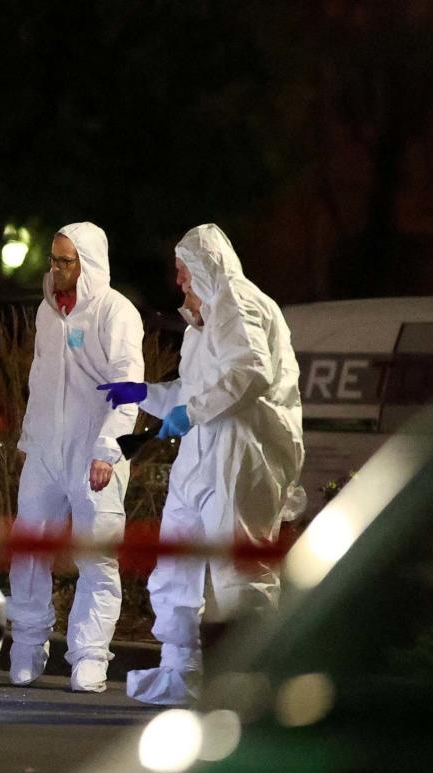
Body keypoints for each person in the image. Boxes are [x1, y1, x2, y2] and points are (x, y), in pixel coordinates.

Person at [99, 223, 305, 705]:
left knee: (239, 570)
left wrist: (187, 413)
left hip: (242, 452)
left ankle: (252, 682)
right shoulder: (208, 320)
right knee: (177, 563)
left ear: (205, 268)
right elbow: (196, 392)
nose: (180, 283)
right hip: (204, 453)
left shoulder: (238, 299)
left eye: (184, 272)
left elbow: (250, 373)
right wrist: (146, 393)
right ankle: (181, 671)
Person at [10, 222, 145, 692]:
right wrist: (30, 443)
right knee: (30, 548)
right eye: (54, 259)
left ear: (88, 264)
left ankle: (89, 654)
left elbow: (128, 387)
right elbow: (39, 380)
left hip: (94, 451)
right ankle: (27, 644)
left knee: (97, 556)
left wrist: (108, 448)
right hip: (46, 450)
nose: (57, 268)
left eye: (67, 261)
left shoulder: (115, 312)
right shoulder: (47, 313)